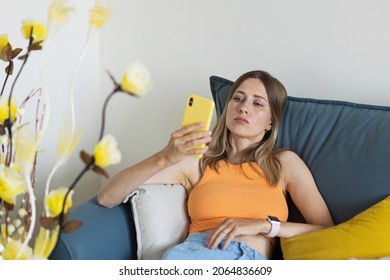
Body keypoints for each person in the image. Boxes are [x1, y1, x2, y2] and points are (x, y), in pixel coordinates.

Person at [97, 70, 334, 260]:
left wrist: (265, 226)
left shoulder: (284, 163)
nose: (244, 107)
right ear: (228, 107)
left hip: (246, 258)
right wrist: (166, 156)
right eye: (238, 98)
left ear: (271, 122)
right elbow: (107, 196)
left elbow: (326, 228)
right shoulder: (197, 162)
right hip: (189, 256)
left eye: (258, 104)